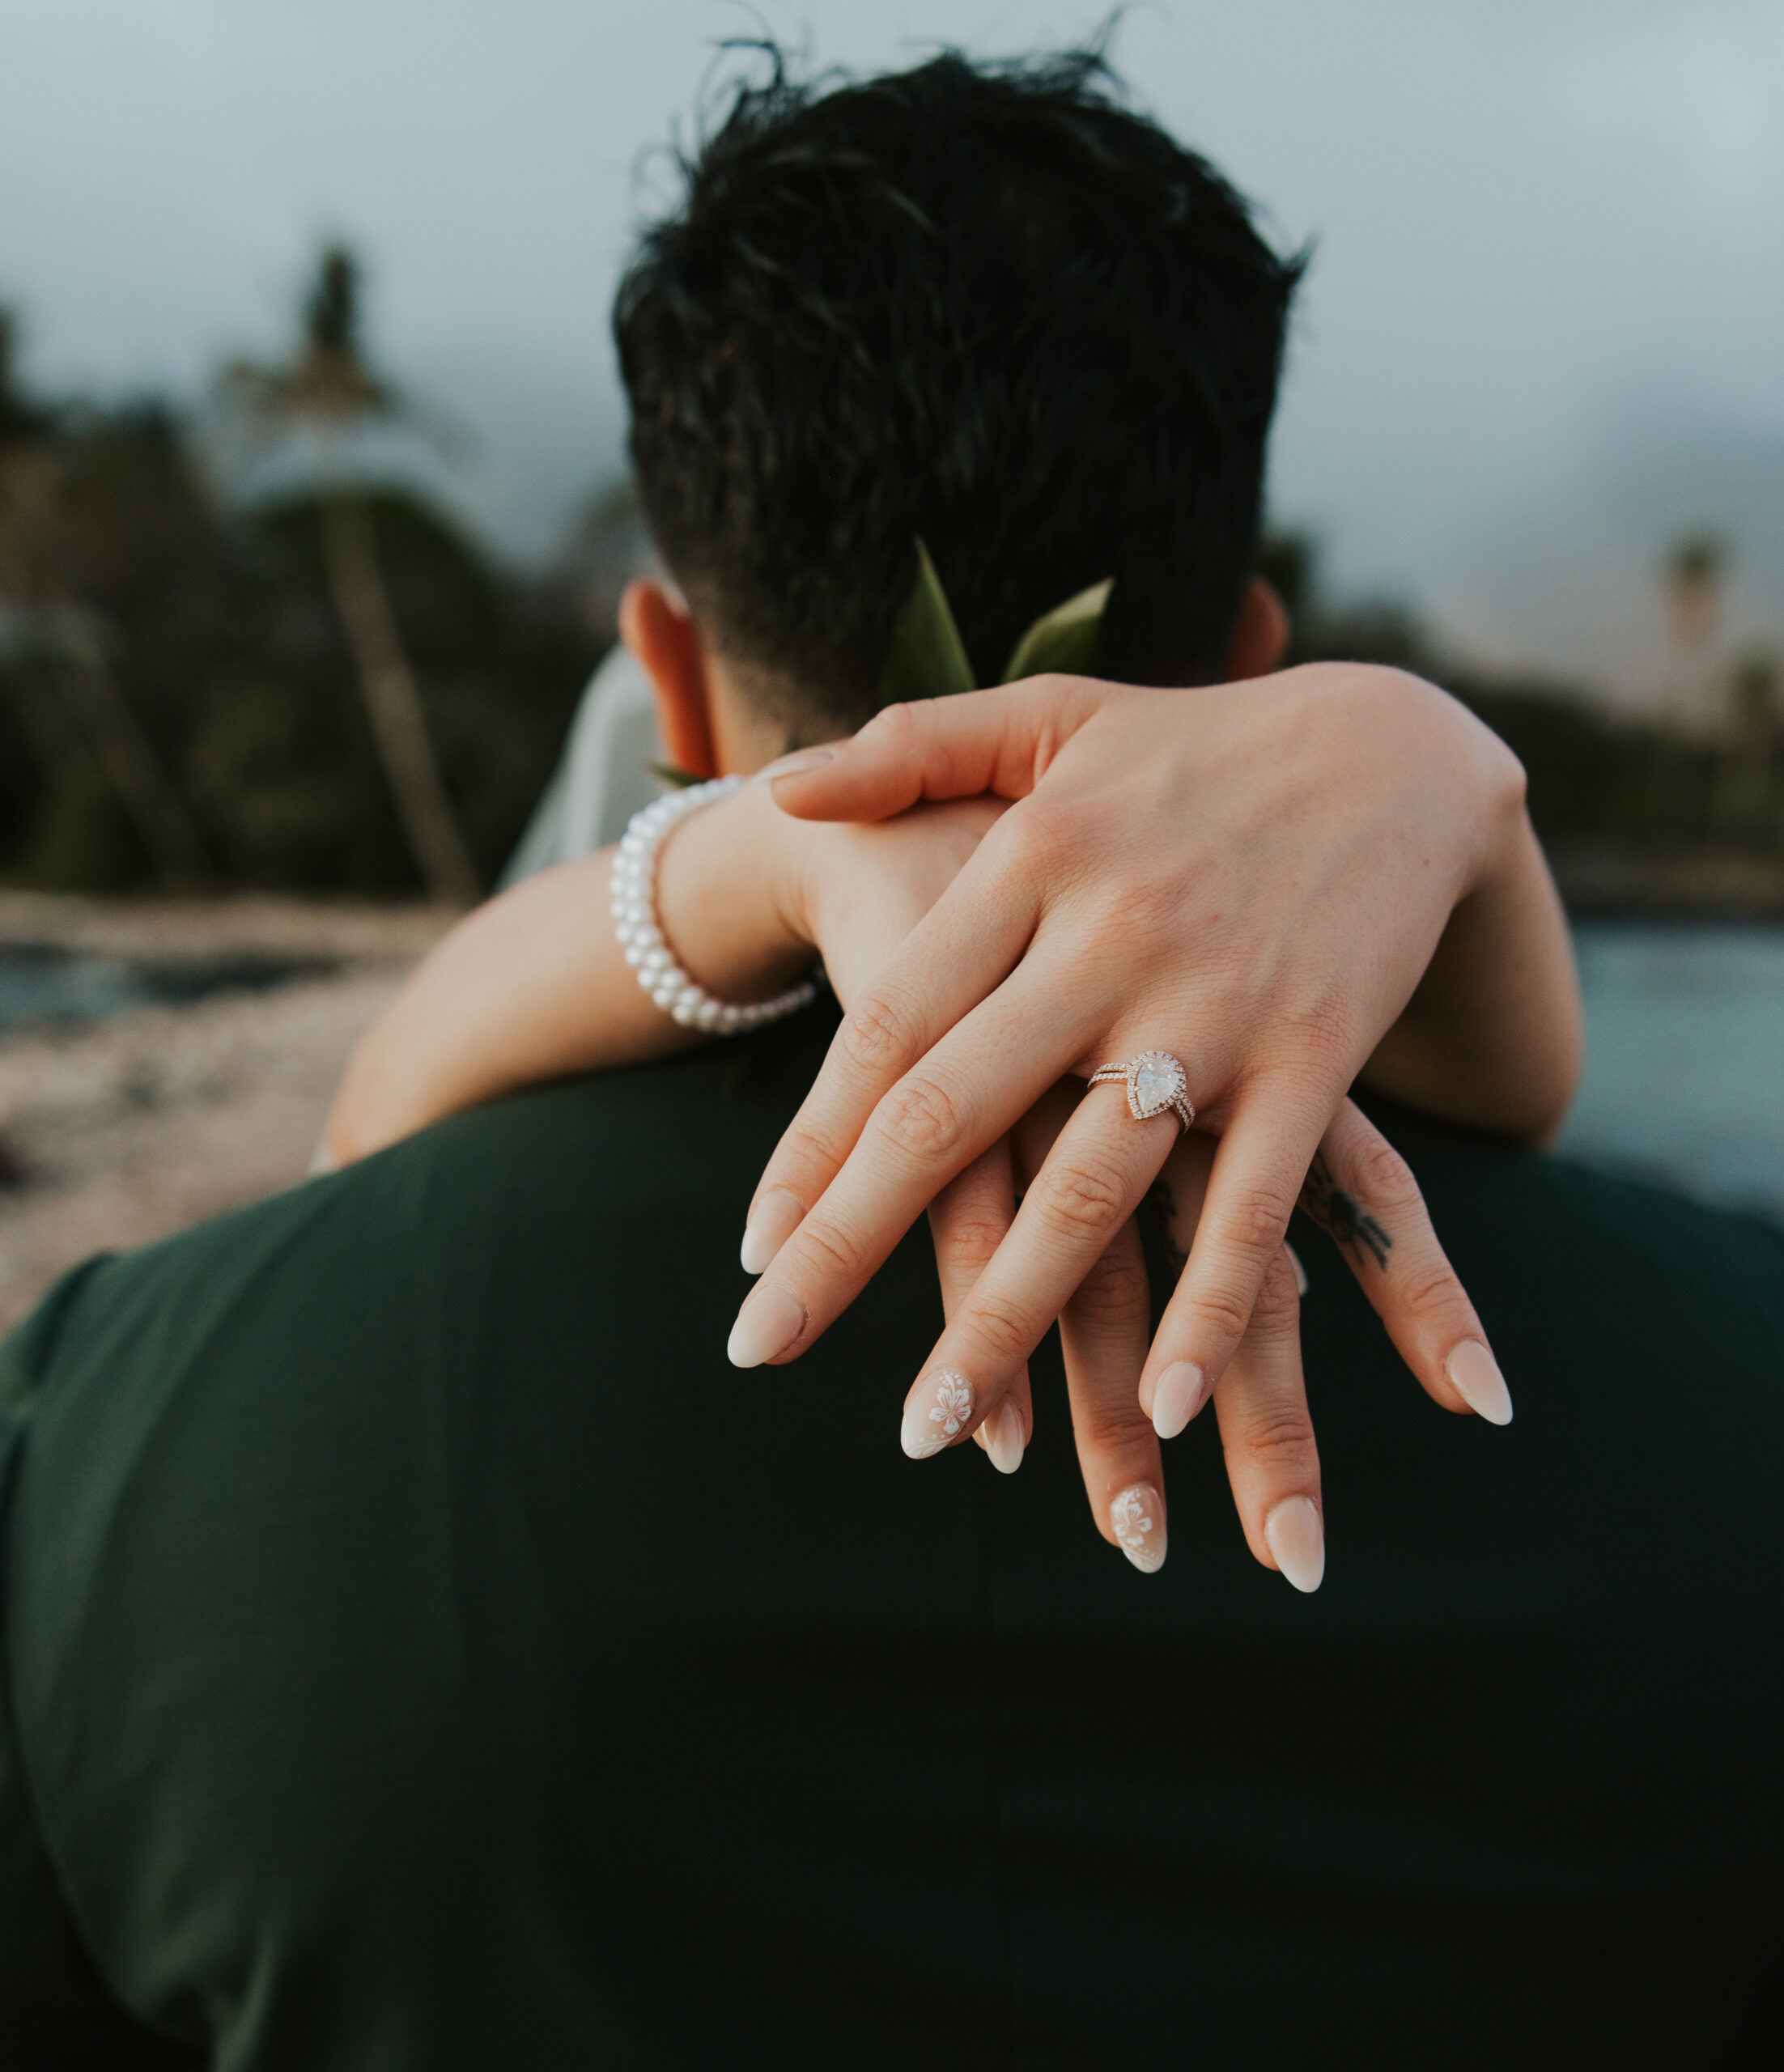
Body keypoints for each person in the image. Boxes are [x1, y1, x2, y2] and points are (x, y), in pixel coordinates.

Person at [2, 48, 1780, 2069]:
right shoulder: (1744, 1385)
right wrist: (1468, 783)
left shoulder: (114, 1436)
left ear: (661, 666)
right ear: (1254, 657)